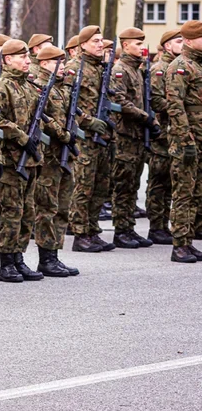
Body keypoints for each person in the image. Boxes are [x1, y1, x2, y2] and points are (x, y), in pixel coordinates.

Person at [0, 39, 44, 282]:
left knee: (27, 211)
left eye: (27, 56)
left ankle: (19, 257)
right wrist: (21, 136)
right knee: (11, 211)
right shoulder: (2, 86)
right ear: (6, 60)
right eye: (20, 57)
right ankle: (7, 262)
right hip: (12, 159)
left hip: (31, 158)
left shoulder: (28, 86)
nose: (26, 60)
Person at [66, 26, 117, 252]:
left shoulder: (101, 69)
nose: (99, 44)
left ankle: (92, 229)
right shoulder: (74, 68)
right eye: (95, 41)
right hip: (84, 137)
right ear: (82, 45)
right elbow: (67, 104)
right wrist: (87, 121)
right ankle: (79, 233)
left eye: (101, 41)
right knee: (83, 186)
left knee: (101, 185)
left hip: (103, 136)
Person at [31, 45, 79, 278]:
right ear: (44, 63)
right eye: (57, 62)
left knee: (62, 206)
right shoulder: (39, 87)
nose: (63, 66)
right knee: (47, 206)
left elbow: (72, 115)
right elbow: (42, 117)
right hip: (49, 156)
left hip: (64, 152)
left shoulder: (63, 88)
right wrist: (61, 133)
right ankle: (46, 256)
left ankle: (55, 253)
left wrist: (72, 132)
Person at [109, 27, 158, 249]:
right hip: (125, 134)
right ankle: (121, 230)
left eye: (142, 44)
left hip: (137, 134)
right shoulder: (120, 70)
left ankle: (128, 227)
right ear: (126, 45)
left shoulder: (137, 70)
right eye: (137, 44)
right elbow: (119, 101)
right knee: (123, 184)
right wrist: (145, 118)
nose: (142, 47)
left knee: (132, 183)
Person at [164, 20, 202, 262]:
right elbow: (175, 107)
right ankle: (179, 244)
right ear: (189, 40)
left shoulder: (197, 66)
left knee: (196, 193)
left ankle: (188, 240)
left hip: (199, 139)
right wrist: (186, 140)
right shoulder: (180, 66)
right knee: (183, 194)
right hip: (186, 141)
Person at [145, 29, 181, 245]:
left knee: (169, 180)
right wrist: (180, 108)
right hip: (162, 132)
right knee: (159, 181)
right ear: (167, 46)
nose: (182, 45)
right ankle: (156, 226)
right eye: (178, 41)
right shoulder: (160, 69)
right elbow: (156, 101)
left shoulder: (178, 67)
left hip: (174, 131)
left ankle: (163, 224)